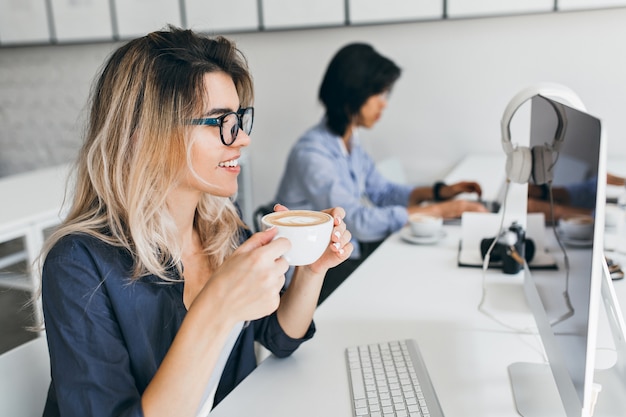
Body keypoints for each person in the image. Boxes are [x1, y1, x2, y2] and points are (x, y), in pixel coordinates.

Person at [39, 27, 353, 417]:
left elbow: (280, 337)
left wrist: (312, 269)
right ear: (144, 134)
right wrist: (216, 306)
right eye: (221, 122)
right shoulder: (79, 265)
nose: (241, 139)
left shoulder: (223, 231)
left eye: (240, 120)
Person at [274, 42, 487, 304]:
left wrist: (438, 192)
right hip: (307, 276)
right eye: (379, 94)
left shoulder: (349, 141)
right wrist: (441, 211)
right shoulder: (312, 154)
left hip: (339, 257)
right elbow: (358, 222)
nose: (384, 105)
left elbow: (383, 192)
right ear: (354, 92)